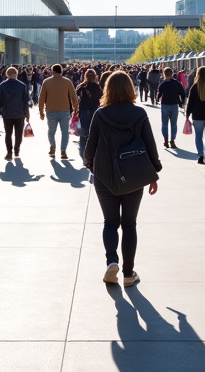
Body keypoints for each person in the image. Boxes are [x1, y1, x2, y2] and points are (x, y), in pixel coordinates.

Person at [83, 71, 161, 287]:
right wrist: (154, 171)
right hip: (134, 174)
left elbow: (91, 144)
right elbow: (150, 144)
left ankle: (111, 261)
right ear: (130, 88)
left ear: (107, 89)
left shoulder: (100, 114)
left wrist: (90, 164)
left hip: (105, 175)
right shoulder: (139, 114)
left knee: (110, 222)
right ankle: (128, 273)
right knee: (129, 224)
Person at [38, 63, 79, 160]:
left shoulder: (46, 82)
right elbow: (74, 97)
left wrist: (41, 112)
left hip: (50, 110)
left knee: (51, 131)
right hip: (64, 110)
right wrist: (75, 109)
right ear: (62, 71)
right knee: (65, 132)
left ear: (52, 71)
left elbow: (41, 98)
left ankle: (52, 146)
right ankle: (63, 150)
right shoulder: (67, 82)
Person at [0, 65, 32, 161]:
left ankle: (9, 152)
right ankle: (17, 149)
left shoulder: (1, 86)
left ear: (7, 74)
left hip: (7, 113)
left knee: (8, 133)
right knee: (18, 133)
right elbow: (26, 100)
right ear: (16, 74)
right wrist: (27, 113)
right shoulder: (22, 86)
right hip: (20, 113)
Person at [74, 69, 104, 158]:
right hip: (94, 110)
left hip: (83, 109)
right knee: (93, 129)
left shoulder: (81, 86)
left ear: (85, 76)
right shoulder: (96, 87)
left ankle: (83, 150)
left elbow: (77, 96)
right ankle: (92, 148)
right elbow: (100, 97)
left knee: (84, 130)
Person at [155, 67, 186, 149]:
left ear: (164, 74)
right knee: (174, 124)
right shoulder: (177, 83)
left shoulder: (163, 83)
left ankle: (165, 139)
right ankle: (172, 140)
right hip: (174, 104)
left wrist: (157, 99)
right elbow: (182, 93)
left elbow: (159, 93)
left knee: (164, 123)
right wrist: (182, 102)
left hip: (165, 104)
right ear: (172, 74)